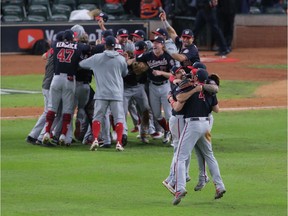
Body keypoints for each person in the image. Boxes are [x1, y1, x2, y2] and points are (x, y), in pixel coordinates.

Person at [172, 68, 226, 205]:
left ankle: (180, 188)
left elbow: (179, 99)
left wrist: (194, 90)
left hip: (193, 125)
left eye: (193, 75)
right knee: (209, 155)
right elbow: (216, 110)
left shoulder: (190, 88)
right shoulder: (210, 89)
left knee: (180, 157)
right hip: (206, 125)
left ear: (196, 78)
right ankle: (219, 186)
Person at [79, 36, 128, 151]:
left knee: (98, 117)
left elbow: (81, 64)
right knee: (118, 118)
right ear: (114, 46)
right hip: (116, 94)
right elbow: (125, 73)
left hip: (101, 94)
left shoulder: (97, 58)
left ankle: (95, 139)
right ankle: (119, 143)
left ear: (105, 45)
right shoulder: (121, 59)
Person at [42, 30, 90, 146]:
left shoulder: (56, 44)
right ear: (72, 38)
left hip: (56, 79)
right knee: (67, 110)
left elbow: (54, 45)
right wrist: (77, 43)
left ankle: (47, 132)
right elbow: (86, 48)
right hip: (69, 80)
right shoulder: (77, 47)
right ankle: (63, 135)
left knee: (52, 108)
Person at [25, 31, 64, 145]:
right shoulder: (59, 50)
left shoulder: (54, 49)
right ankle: (41, 138)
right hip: (49, 85)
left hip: (47, 84)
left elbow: (43, 56)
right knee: (51, 112)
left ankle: (33, 135)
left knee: (48, 112)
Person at [135, 36, 176, 144]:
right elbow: (136, 58)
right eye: (154, 43)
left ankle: (174, 137)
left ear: (162, 45)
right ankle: (167, 131)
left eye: (157, 43)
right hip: (153, 87)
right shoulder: (148, 55)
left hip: (165, 86)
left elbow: (173, 75)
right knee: (157, 115)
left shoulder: (168, 57)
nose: (155, 45)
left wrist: (161, 73)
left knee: (168, 114)